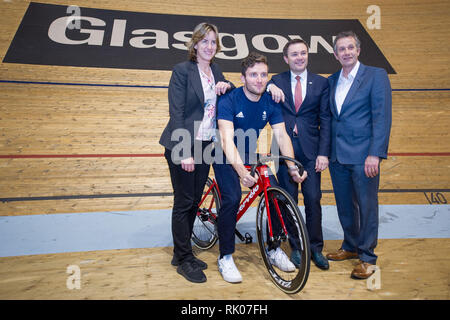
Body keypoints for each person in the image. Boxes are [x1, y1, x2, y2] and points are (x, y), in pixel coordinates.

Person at [213, 52, 307, 283]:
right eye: (253, 75)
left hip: (248, 152)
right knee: (232, 198)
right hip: (225, 154)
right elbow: (226, 141)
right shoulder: (229, 99)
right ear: (243, 77)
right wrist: (242, 173)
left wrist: (292, 167)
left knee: (273, 193)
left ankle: (273, 248)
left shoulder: (270, 101)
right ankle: (225, 256)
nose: (259, 79)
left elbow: (282, 136)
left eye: (263, 75)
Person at [159, 22, 234, 283]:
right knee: (184, 201)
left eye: (213, 42)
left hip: (205, 145)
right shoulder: (182, 71)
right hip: (183, 145)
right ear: (195, 44)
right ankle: (183, 258)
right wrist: (184, 151)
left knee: (193, 201)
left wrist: (228, 86)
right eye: (205, 41)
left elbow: (224, 92)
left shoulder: (216, 70)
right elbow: (176, 112)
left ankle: (182, 254)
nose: (209, 46)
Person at [326, 31, 392, 279]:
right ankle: (351, 246)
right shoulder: (332, 80)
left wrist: (375, 154)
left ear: (358, 50)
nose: (346, 52)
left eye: (350, 47)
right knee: (344, 205)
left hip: (364, 156)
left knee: (366, 206)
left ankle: (367, 256)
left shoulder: (376, 76)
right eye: (341, 49)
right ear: (335, 54)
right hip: (338, 156)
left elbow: (381, 118)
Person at [267, 39, 331, 270]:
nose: (299, 57)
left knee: (313, 199)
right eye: (294, 54)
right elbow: (256, 86)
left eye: (303, 53)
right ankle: (297, 246)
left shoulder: (321, 83)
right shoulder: (277, 80)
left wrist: (324, 153)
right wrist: (269, 87)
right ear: (286, 58)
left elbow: (325, 119)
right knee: (288, 200)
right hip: (284, 151)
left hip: (311, 152)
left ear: (307, 55)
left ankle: (316, 247)